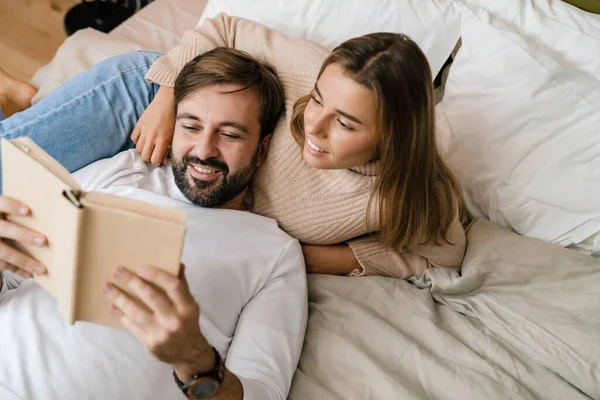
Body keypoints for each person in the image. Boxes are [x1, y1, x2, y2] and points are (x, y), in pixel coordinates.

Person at [0, 13, 466, 279]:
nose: (312, 125)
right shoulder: (308, 67)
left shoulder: (409, 195)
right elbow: (223, 27)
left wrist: (324, 258)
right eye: (317, 100)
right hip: (151, 103)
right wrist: (166, 94)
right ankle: (22, 99)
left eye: (344, 123)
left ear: (395, 138)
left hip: (213, 165)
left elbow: (438, 255)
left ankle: (21, 98)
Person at [0, 48, 307, 400]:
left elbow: (262, 392)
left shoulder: (274, 253)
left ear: (263, 149)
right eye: (190, 126)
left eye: (230, 135)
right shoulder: (124, 170)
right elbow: (12, 279)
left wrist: (194, 359)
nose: (204, 150)